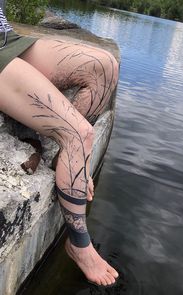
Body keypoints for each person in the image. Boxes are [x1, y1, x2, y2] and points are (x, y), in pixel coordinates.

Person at [0, 6, 119, 287]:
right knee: (80, 135)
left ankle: (68, 161)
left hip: (6, 37)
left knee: (105, 67)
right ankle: (78, 245)